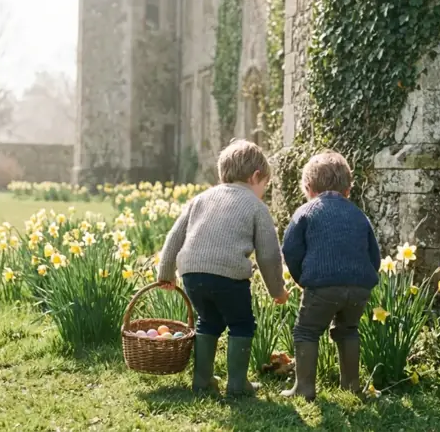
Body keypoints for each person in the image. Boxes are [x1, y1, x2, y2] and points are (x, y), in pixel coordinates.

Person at [156, 139, 289, 397]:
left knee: (209, 321)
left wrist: (165, 273)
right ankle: (238, 384)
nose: (264, 191)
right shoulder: (256, 207)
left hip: (192, 273)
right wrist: (278, 290)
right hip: (229, 276)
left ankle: (202, 380)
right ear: (256, 176)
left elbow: (175, 236)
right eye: (265, 185)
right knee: (241, 324)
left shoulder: (201, 199)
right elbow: (269, 256)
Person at [280, 151, 381, 401]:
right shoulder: (359, 215)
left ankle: (304, 388)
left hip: (322, 286)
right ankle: (351, 385)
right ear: (348, 189)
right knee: (348, 330)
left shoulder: (306, 211)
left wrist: (302, 278)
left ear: (308, 187)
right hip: (359, 287)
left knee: (306, 331)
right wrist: (361, 279)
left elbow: (290, 248)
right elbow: (374, 254)